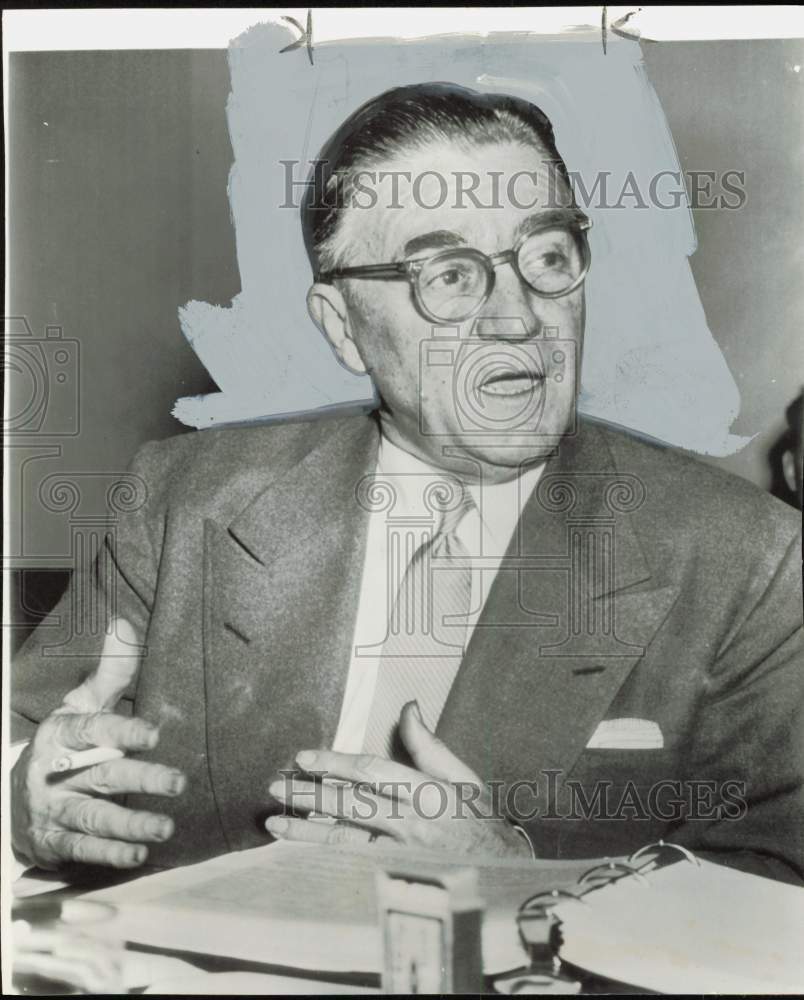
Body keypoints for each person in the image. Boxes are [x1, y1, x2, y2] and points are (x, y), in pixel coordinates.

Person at [11, 83, 804, 883]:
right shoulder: (188, 498)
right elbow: (29, 734)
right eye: (450, 275)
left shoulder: (752, 561)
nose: (520, 318)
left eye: (547, 257)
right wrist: (25, 802)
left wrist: (524, 876)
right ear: (342, 327)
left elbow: (781, 886)